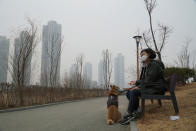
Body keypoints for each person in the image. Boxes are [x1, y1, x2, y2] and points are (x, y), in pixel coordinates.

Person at [120, 48, 167, 125]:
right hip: (153, 87)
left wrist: (137, 84)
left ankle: (129, 113)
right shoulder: (149, 65)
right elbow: (147, 80)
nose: (142, 56)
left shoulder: (154, 64)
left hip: (157, 89)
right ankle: (135, 111)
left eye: (143, 54)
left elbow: (149, 81)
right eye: (141, 55)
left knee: (134, 92)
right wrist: (137, 85)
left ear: (149, 54)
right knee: (129, 92)